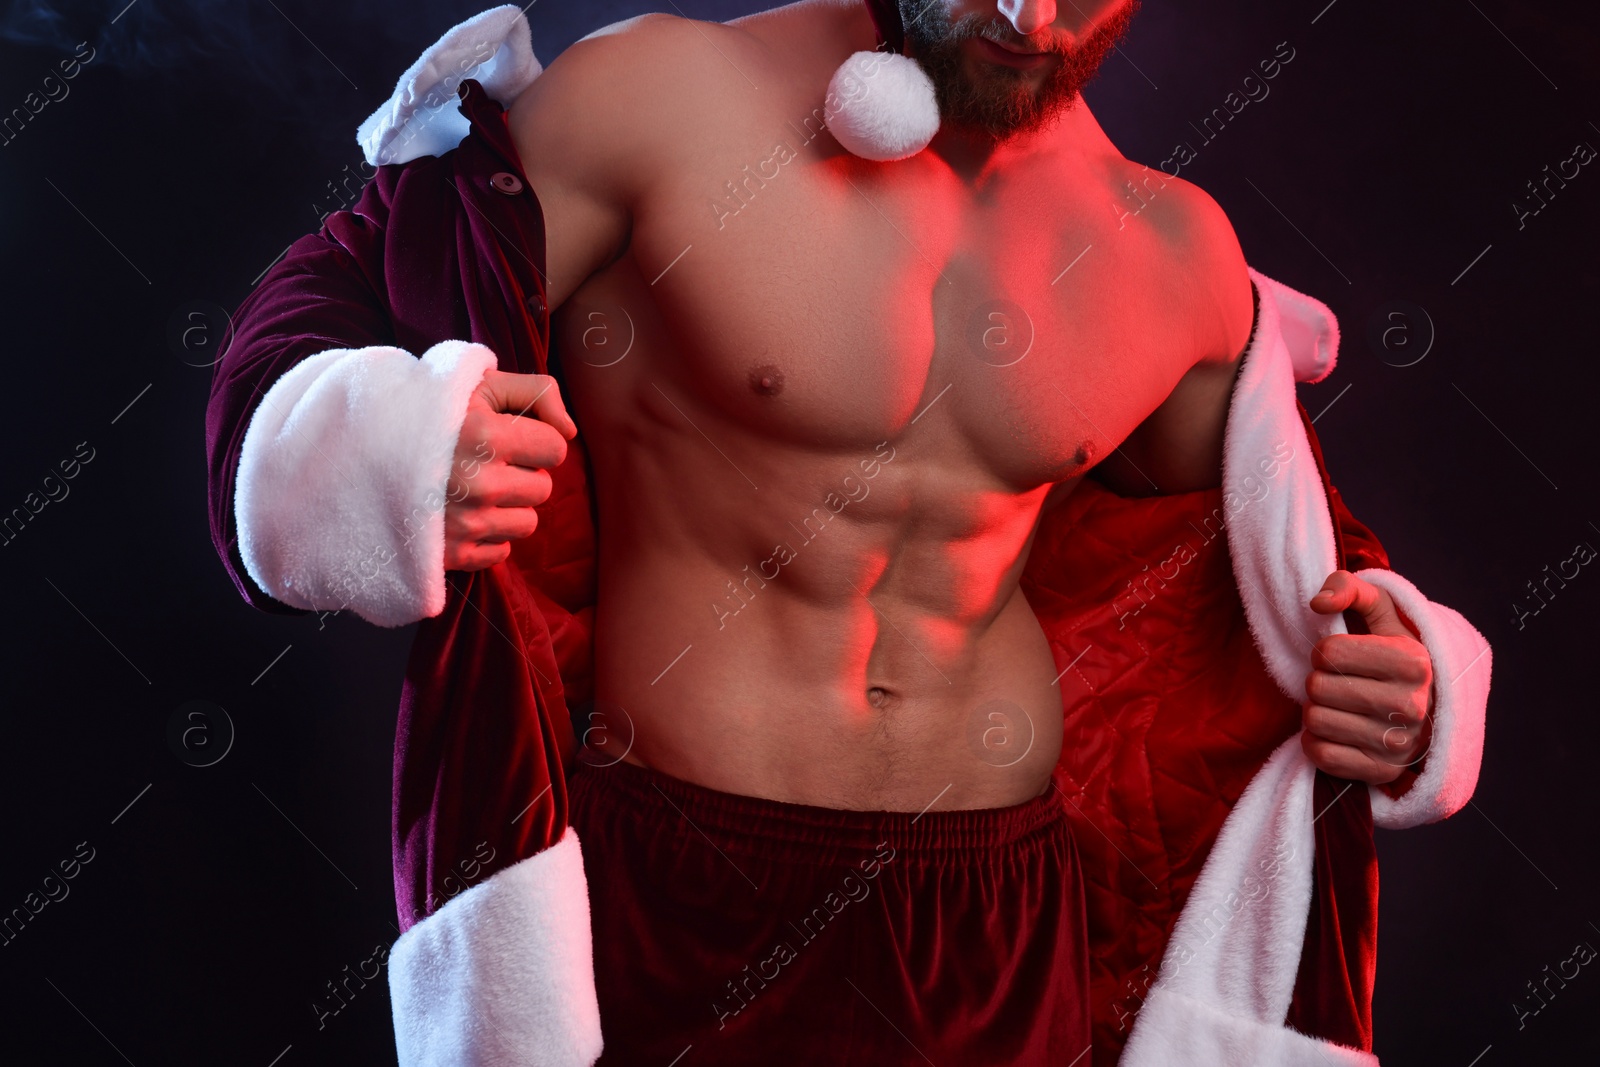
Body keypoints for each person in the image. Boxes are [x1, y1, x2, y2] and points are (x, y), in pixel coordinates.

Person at [204, 2, 1492, 1064]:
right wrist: (396, 447)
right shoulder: (667, 101)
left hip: (998, 909)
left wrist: (1391, 657)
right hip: (688, 883)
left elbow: (1260, 555)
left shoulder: (1172, 246)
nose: (1024, 15)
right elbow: (334, 306)